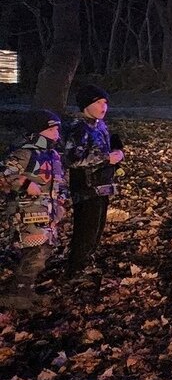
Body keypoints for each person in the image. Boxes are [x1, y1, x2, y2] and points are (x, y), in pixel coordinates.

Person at [1, 110, 67, 311]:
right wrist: (23, 183)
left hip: (48, 213)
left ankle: (26, 289)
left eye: (57, 128)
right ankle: (18, 292)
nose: (56, 133)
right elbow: (4, 173)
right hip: (27, 212)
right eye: (51, 129)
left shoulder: (53, 155)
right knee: (34, 252)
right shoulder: (24, 153)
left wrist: (61, 202)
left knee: (44, 250)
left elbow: (59, 181)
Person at [61, 84, 124, 277]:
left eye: (105, 102)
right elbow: (73, 159)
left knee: (97, 228)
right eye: (98, 102)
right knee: (86, 229)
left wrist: (116, 154)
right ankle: (76, 268)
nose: (103, 107)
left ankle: (87, 261)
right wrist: (106, 158)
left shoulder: (100, 126)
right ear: (86, 105)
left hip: (102, 186)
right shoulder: (78, 128)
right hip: (86, 188)